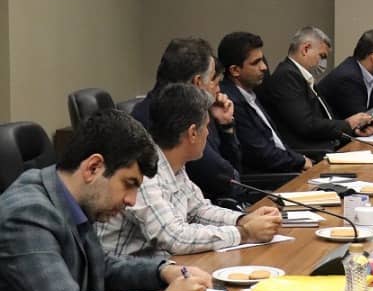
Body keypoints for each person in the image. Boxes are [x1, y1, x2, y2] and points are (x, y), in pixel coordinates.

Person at [0, 110, 211, 291]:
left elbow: (101, 266)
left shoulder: (70, 197)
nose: (131, 200)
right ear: (93, 167)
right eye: (129, 184)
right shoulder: (27, 213)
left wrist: (163, 271)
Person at [97, 84, 282, 259]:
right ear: (193, 133)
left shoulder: (174, 163)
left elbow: (199, 210)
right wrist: (245, 233)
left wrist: (244, 219)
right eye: (206, 126)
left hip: (164, 265)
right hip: (125, 275)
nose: (208, 133)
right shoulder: (143, 171)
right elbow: (174, 237)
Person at [132, 37, 244, 203]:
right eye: (212, 79)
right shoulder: (170, 118)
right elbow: (226, 180)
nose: (218, 89)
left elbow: (230, 176)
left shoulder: (198, 110)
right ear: (197, 82)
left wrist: (225, 126)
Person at [258, 26, 373, 156]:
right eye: (322, 56)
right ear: (306, 49)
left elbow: (325, 120)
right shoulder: (286, 76)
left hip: (326, 147)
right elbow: (306, 125)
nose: (323, 62)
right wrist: (348, 124)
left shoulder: (303, 76)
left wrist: (354, 131)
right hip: (309, 154)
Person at [218, 31, 312, 175]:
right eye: (256, 63)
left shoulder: (251, 93)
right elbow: (261, 153)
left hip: (287, 168)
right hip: (269, 179)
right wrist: (300, 161)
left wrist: (300, 159)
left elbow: (276, 143)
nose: (264, 67)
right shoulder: (231, 102)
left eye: (262, 60)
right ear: (235, 70)